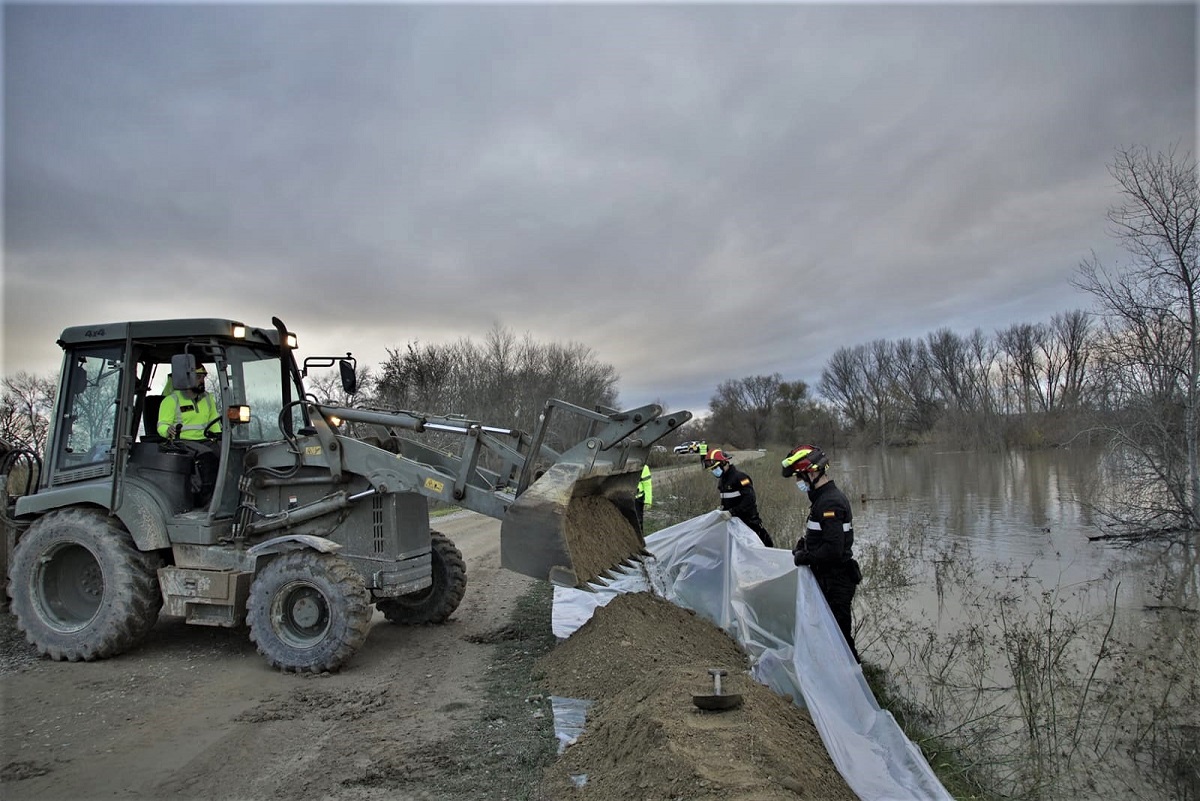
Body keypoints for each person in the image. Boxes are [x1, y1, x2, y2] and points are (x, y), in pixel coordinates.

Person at [781, 444, 862, 663]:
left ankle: (854, 684)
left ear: (813, 472)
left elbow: (833, 550)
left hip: (836, 581)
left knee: (840, 640)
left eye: (800, 476)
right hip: (828, 578)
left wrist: (806, 557)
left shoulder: (830, 502)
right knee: (829, 637)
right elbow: (824, 537)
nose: (799, 482)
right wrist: (804, 546)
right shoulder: (822, 500)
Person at [157, 363, 222, 505]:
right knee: (207, 456)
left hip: (203, 439)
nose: (202, 381)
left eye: (203, 377)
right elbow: (162, 425)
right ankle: (206, 500)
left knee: (228, 453)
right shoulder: (171, 400)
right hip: (182, 441)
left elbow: (214, 422)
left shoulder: (207, 398)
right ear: (186, 378)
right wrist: (167, 430)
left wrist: (220, 438)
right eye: (198, 377)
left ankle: (226, 497)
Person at [702, 449, 774, 547]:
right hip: (734, 526)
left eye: (715, 468)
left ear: (724, 463)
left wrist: (732, 512)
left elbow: (750, 500)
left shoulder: (740, 478)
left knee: (765, 548)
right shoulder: (722, 481)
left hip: (750, 524)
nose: (714, 471)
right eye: (712, 469)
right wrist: (722, 509)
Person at [635, 463, 653, 533]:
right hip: (625, 499)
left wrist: (648, 501)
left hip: (637, 499)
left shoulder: (643, 467)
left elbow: (647, 485)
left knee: (638, 522)